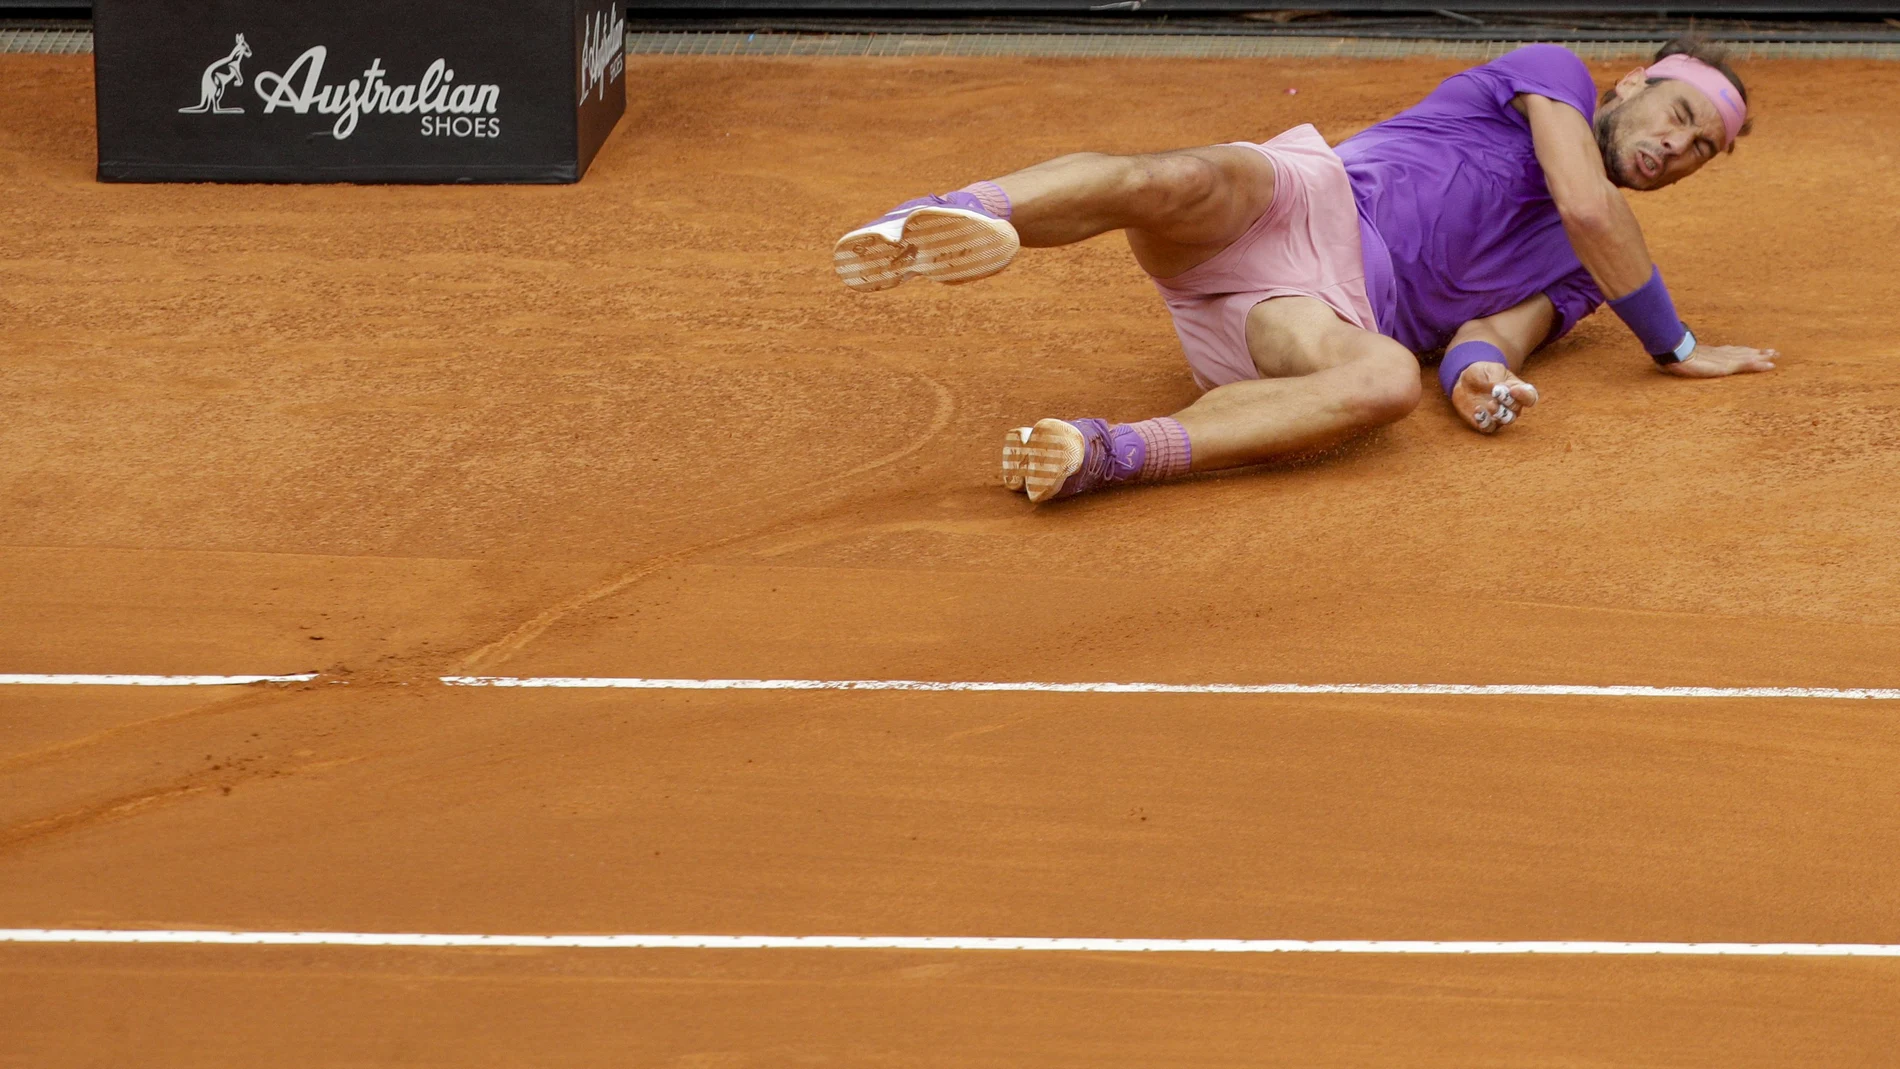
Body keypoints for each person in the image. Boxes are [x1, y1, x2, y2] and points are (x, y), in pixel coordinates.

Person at [831, 38, 1778, 503]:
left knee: (1385, 380)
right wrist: (1674, 344)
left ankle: (1109, 453)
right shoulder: (1552, 75)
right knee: (1177, 175)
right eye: (1677, 114)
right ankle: (946, 217)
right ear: (1631, 85)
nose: (1675, 145)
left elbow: (1494, 336)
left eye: (1700, 147)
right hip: (1303, 198)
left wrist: (1479, 377)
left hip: (1304, 319)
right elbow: (1583, 201)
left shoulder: (1586, 276)